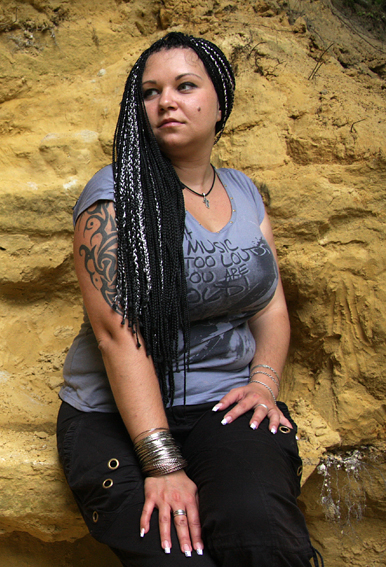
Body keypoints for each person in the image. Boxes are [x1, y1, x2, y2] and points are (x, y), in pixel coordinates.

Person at [56, 32, 321, 566]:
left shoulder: (244, 191)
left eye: (185, 86)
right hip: (114, 414)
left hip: (221, 404)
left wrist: (264, 384)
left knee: (262, 534)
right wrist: (163, 465)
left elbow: (269, 305)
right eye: (150, 92)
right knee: (176, 554)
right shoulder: (114, 196)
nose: (166, 102)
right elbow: (117, 337)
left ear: (220, 103)